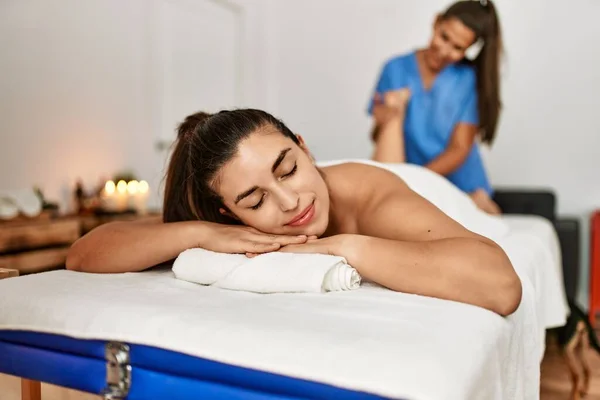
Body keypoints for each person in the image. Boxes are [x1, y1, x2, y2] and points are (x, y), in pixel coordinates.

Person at [66, 109, 521, 316]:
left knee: (483, 214)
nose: (290, 203)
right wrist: (200, 233)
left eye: (288, 169)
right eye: (255, 200)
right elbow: (84, 254)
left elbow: (500, 284)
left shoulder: (368, 195)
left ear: (303, 148)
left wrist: (341, 247)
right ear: (229, 211)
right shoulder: (222, 223)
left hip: (428, 191)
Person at [369, 0, 502, 214]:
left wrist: (415, 182)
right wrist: (389, 115)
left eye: (457, 48)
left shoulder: (469, 80)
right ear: (436, 22)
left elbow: (459, 148)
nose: (444, 50)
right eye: (444, 36)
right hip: (409, 183)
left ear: (469, 49)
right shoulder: (395, 69)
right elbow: (377, 136)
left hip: (460, 186)